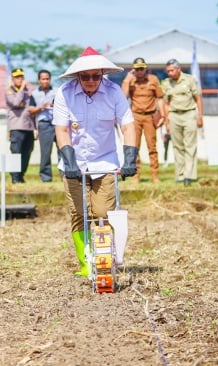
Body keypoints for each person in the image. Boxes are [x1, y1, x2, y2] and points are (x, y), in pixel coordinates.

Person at [53, 47, 138, 277]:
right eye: (85, 77)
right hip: (74, 163)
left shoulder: (113, 93)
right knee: (79, 213)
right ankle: (85, 263)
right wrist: (69, 160)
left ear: (102, 74)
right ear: (77, 76)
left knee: (103, 213)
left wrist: (130, 158)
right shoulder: (64, 93)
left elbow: (128, 125)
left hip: (105, 163)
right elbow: (61, 129)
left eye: (95, 76)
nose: (91, 81)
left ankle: (104, 258)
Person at [121, 57, 165, 183]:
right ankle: (136, 175)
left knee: (152, 146)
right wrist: (127, 80)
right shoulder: (130, 81)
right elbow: (122, 97)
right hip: (135, 116)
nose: (140, 71)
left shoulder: (153, 79)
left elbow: (160, 98)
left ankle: (155, 175)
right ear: (133, 69)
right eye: (137, 69)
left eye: (142, 68)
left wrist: (162, 115)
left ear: (146, 68)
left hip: (150, 116)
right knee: (135, 146)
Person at [161, 58, 203, 186]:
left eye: (172, 70)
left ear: (178, 69)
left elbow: (198, 98)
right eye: (168, 71)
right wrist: (167, 122)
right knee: (177, 146)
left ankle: (189, 175)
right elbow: (166, 104)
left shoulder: (189, 80)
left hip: (189, 113)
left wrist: (200, 116)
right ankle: (180, 175)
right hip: (174, 115)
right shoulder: (166, 83)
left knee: (190, 145)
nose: (170, 73)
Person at [6, 67, 35, 184]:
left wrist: (35, 128)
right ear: (12, 79)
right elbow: (16, 103)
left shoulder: (28, 93)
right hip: (16, 127)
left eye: (21, 77)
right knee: (16, 153)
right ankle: (15, 177)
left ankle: (21, 175)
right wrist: (22, 88)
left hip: (28, 127)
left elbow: (31, 110)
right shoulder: (9, 91)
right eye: (17, 77)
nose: (20, 79)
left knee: (27, 152)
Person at [29, 70, 57, 182]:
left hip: (57, 123)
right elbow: (30, 110)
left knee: (62, 150)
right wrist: (42, 107)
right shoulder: (34, 94)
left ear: (50, 79)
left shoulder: (56, 91)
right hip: (44, 124)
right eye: (43, 79)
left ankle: (66, 175)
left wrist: (54, 105)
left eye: (47, 79)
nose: (45, 81)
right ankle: (46, 177)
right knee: (45, 152)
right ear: (39, 80)